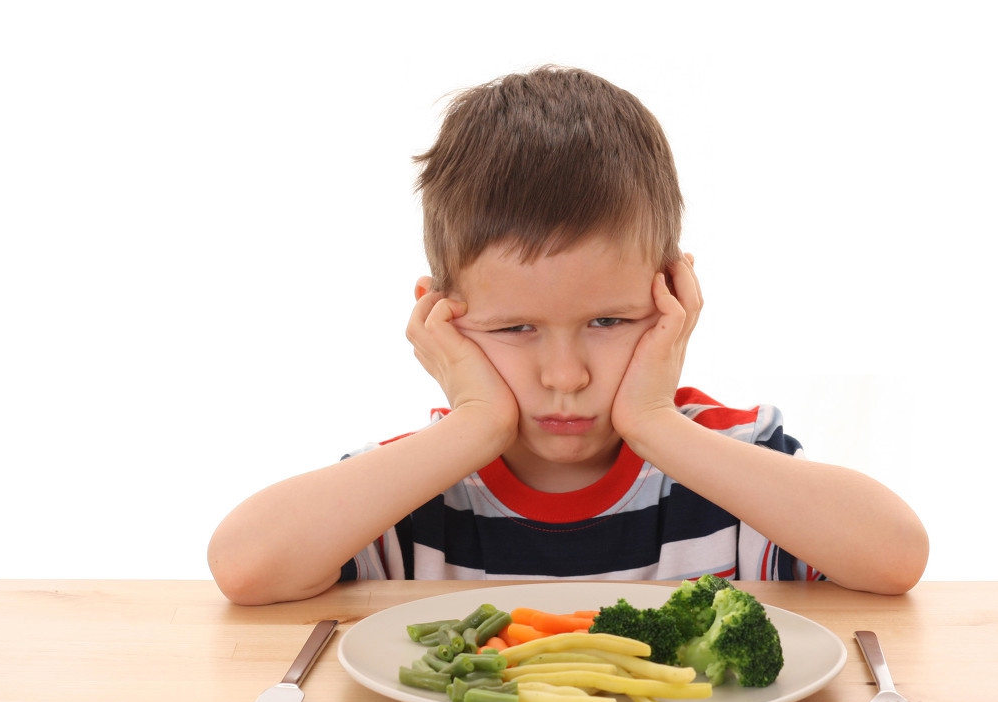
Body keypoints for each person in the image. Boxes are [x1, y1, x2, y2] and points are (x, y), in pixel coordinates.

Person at [208, 66, 928, 605]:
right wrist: (478, 424)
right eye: (516, 328)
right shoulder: (415, 487)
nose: (566, 375)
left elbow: (895, 556)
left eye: (608, 322)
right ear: (442, 321)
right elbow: (245, 565)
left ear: (674, 295)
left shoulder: (729, 469)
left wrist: (653, 423)